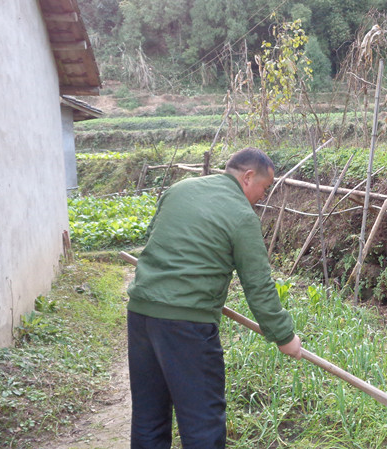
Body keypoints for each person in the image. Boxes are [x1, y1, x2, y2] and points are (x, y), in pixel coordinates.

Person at [126, 147, 302, 449]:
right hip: (187, 327)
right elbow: (258, 285)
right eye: (264, 187)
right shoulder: (242, 215)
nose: (263, 196)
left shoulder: (179, 189)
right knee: (202, 424)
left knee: (148, 417)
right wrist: (285, 336)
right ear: (248, 177)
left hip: (141, 315)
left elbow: (154, 237)